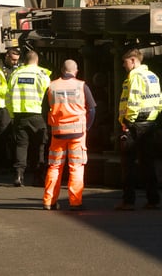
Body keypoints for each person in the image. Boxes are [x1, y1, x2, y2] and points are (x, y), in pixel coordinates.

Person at [42, 59, 96, 211]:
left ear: (61, 70)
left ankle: (49, 201)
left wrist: (51, 125)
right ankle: (75, 202)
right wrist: (87, 127)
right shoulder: (81, 86)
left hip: (58, 133)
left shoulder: (52, 86)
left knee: (54, 166)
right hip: (77, 133)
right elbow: (92, 110)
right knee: (76, 167)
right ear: (76, 70)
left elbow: (44, 109)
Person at [116, 48, 162, 210]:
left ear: (132, 60)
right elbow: (160, 102)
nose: (124, 66)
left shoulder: (135, 76)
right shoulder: (153, 76)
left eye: (125, 62)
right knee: (148, 164)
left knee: (128, 165)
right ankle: (153, 200)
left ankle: (128, 201)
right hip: (150, 124)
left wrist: (127, 122)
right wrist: (153, 117)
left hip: (134, 125)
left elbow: (133, 100)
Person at [7, 49, 51, 187]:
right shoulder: (42, 74)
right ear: (37, 61)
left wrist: (12, 114)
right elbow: (49, 95)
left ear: (24, 61)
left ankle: (19, 175)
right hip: (37, 115)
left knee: (21, 145)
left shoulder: (15, 73)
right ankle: (38, 177)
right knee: (39, 147)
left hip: (20, 115)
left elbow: (8, 96)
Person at [0, 47, 21, 168]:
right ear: (7, 56)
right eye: (13, 60)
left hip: (16, 106)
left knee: (16, 137)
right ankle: (2, 164)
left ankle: (14, 162)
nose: (15, 62)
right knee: (2, 136)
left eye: (17, 60)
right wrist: (8, 90)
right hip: (2, 107)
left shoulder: (19, 68)